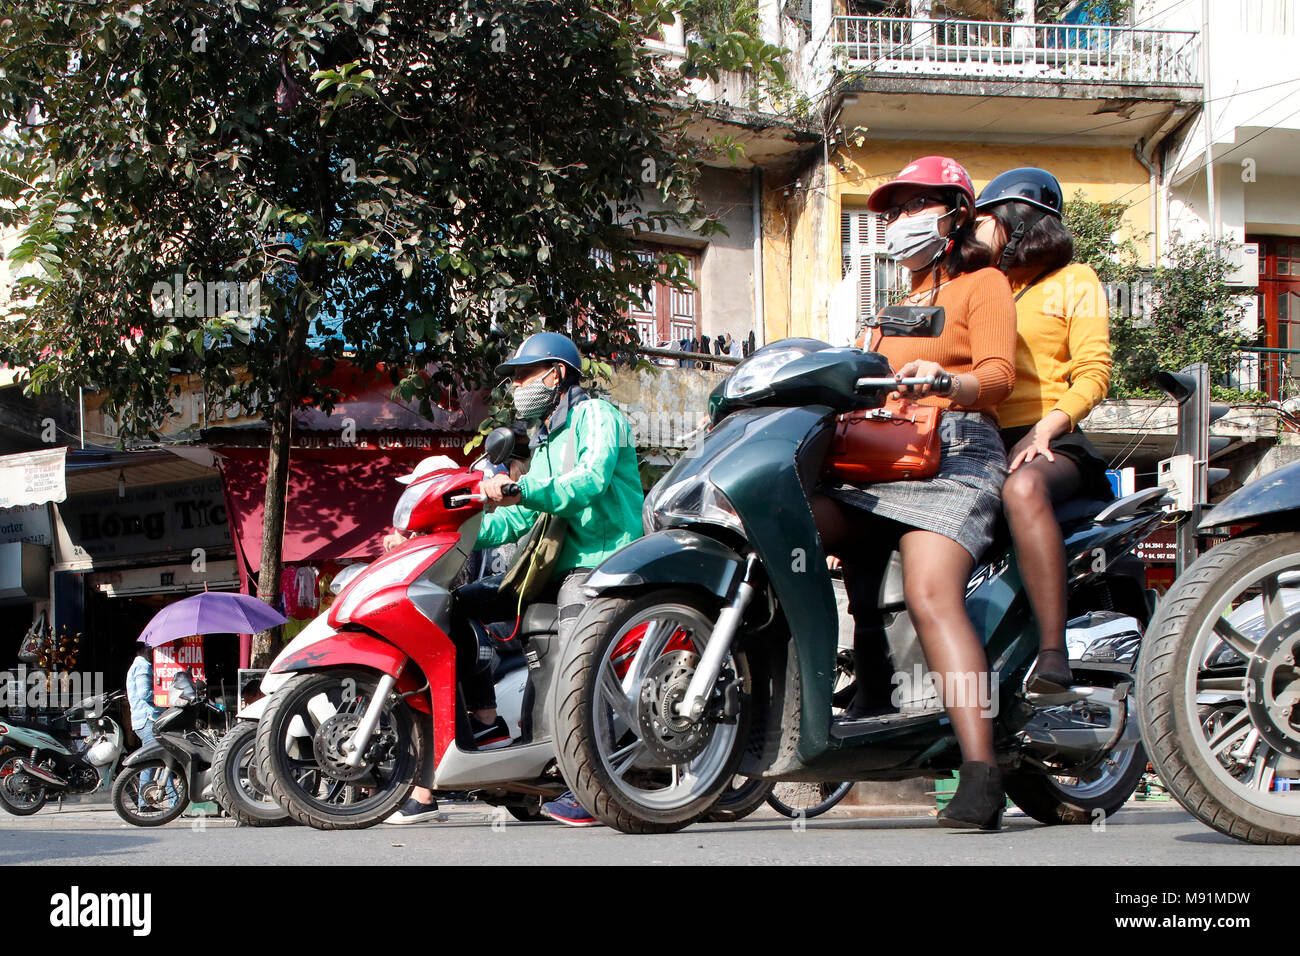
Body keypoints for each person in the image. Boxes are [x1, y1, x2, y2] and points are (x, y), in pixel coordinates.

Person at [812, 155, 1017, 831]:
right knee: (794, 527)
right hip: (885, 457)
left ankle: (982, 772)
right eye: (892, 211)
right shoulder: (889, 310)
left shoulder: (982, 285)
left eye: (911, 206)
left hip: (958, 454)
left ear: (953, 213)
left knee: (932, 593)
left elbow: (996, 377)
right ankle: (851, 696)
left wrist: (944, 381)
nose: (898, 222)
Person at [388, 331, 644, 827]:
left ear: (558, 373)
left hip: (601, 565)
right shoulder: (546, 437)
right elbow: (519, 519)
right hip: (548, 569)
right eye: (515, 377)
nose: (518, 385)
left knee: (571, 655)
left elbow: (586, 484)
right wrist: (451, 533)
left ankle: (589, 780)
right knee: (458, 605)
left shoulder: (600, 418)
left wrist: (518, 487)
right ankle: (489, 730)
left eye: (526, 374)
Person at [973, 167, 1112, 694]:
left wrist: (1045, 429)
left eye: (989, 222)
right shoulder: (984, 288)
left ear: (1018, 221)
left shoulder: (1076, 281)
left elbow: (1094, 371)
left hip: (1050, 435)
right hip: (981, 441)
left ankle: (1054, 653)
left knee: (1023, 487)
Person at [126, 641, 172, 809]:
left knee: (157, 761)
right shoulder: (143, 666)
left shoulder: (140, 665)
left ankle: (148, 803)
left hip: (145, 720)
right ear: (147, 650)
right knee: (157, 760)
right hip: (148, 719)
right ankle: (149, 803)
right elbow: (144, 693)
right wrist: (166, 695)